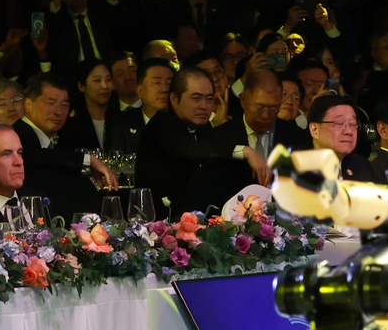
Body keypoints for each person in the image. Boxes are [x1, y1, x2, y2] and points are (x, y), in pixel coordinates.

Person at [14, 73, 115, 222]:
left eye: (64, 105)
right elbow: (34, 157)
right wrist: (88, 160)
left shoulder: (56, 141)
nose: (58, 111)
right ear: (28, 105)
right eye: (51, 103)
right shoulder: (16, 135)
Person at [186, 70, 289, 212]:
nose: (266, 115)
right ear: (243, 100)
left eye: (273, 107)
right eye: (259, 107)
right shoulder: (221, 136)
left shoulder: (295, 136)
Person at [135, 66, 222, 215]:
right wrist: (242, 151)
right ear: (174, 99)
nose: (204, 106)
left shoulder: (203, 126)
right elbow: (189, 150)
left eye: (209, 99)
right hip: (159, 223)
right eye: (196, 98)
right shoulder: (162, 123)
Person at [45, 0, 124, 78]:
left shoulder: (99, 14)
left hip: (105, 72)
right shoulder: (59, 21)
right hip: (73, 77)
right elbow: (50, 16)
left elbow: (122, 21)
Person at [63, 58, 132, 154]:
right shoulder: (71, 126)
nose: (104, 86)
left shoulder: (123, 121)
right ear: (81, 86)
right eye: (97, 80)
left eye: (108, 80)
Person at [307, 96, 373, 183]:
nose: (348, 131)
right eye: (339, 123)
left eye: (353, 124)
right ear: (315, 130)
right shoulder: (296, 168)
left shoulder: (361, 166)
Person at [120, 58, 176, 148]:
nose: (165, 89)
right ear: (140, 90)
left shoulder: (184, 122)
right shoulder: (122, 125)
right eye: (157, 83)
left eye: (169, 83)